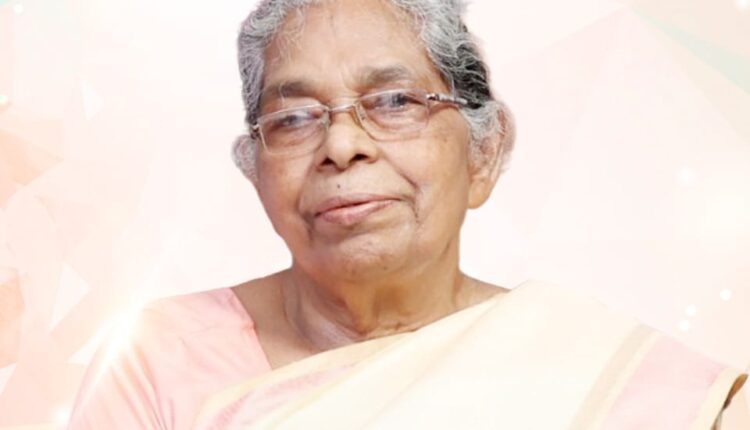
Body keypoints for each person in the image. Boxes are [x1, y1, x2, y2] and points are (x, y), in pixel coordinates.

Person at [67, 0, 748, 428]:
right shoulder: (159, 359)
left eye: (394, 102)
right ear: (255, 171)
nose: (341, 146)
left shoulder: (610, 372)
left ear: (484, 151)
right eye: (294, 117)